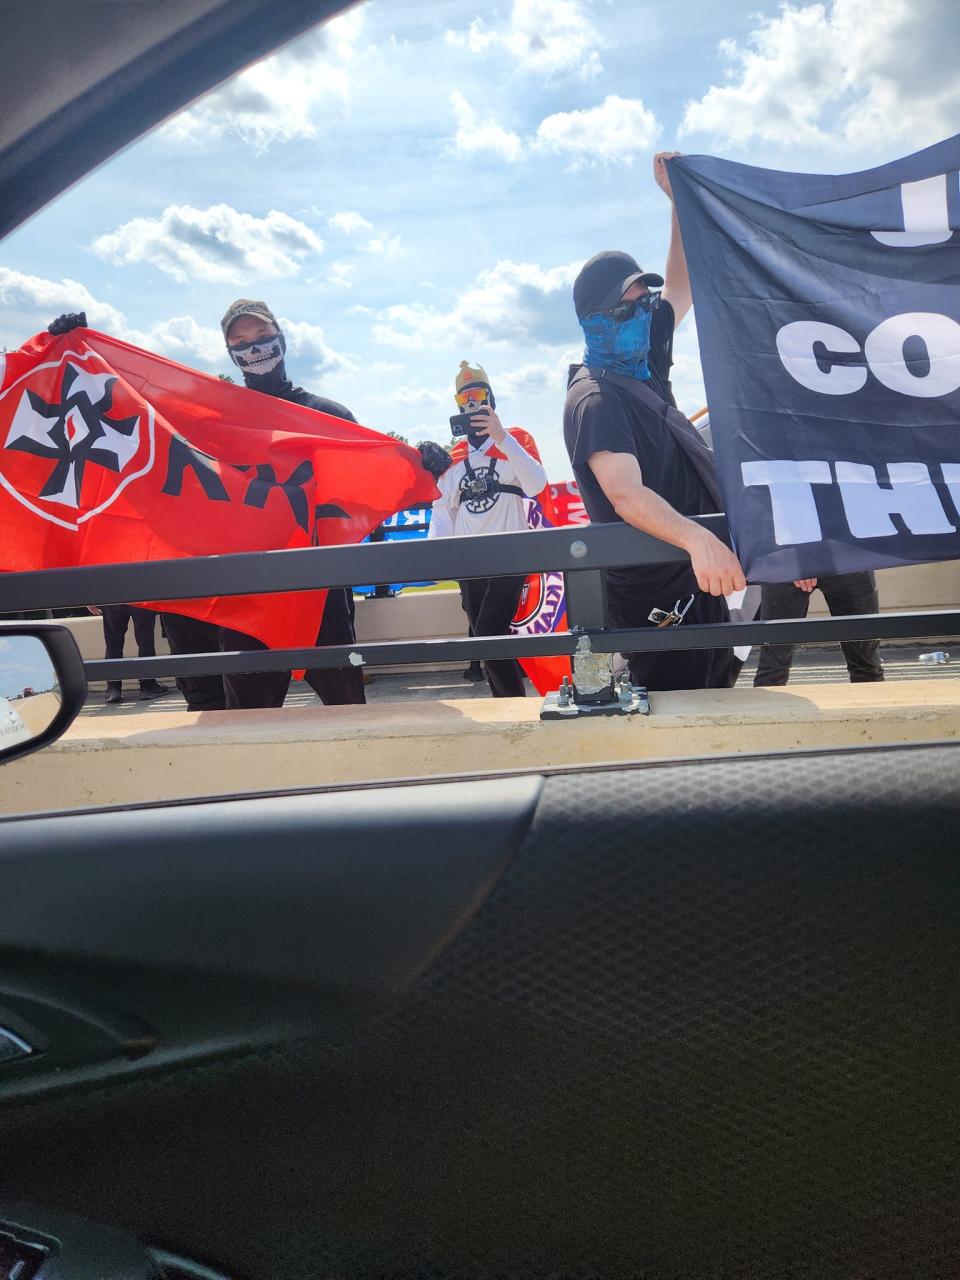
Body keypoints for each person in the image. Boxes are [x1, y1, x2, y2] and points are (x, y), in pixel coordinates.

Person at [562, 151, 745, 693]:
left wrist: (675, 201)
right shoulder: (595, 398)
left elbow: (680, 287)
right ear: (598, 321)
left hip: (698, 573)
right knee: (672, 716)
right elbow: (626, 495)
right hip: (654, 595)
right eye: (631, 305)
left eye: (646, 301)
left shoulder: (642, 361)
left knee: (716, 697)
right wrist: (698, 539)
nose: (646, 314)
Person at [429, 361, 547, 698]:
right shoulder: (452, 460)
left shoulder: (516, 442)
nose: (471, 405)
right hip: (470, 562)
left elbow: (537, 485)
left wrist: (503, 438)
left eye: (478, 396)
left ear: (491, 399)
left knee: (488, 633)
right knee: (488, 638)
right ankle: (506, 704)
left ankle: (514, 704)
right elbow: (442, 509)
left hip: (509, 556)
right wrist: (434, 555)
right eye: (464, 399)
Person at [754, 573, 885, 686]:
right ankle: (764, 714)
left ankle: (875, 714)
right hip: (787, 558)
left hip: (847, 557)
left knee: (867, 665)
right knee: (772, 668)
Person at [89, 604, 168, 704]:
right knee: (145, 639)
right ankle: (147, 686)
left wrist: (89, 601)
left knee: (113, 641)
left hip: (113, 599)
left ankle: (114, 688)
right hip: (140, 597)